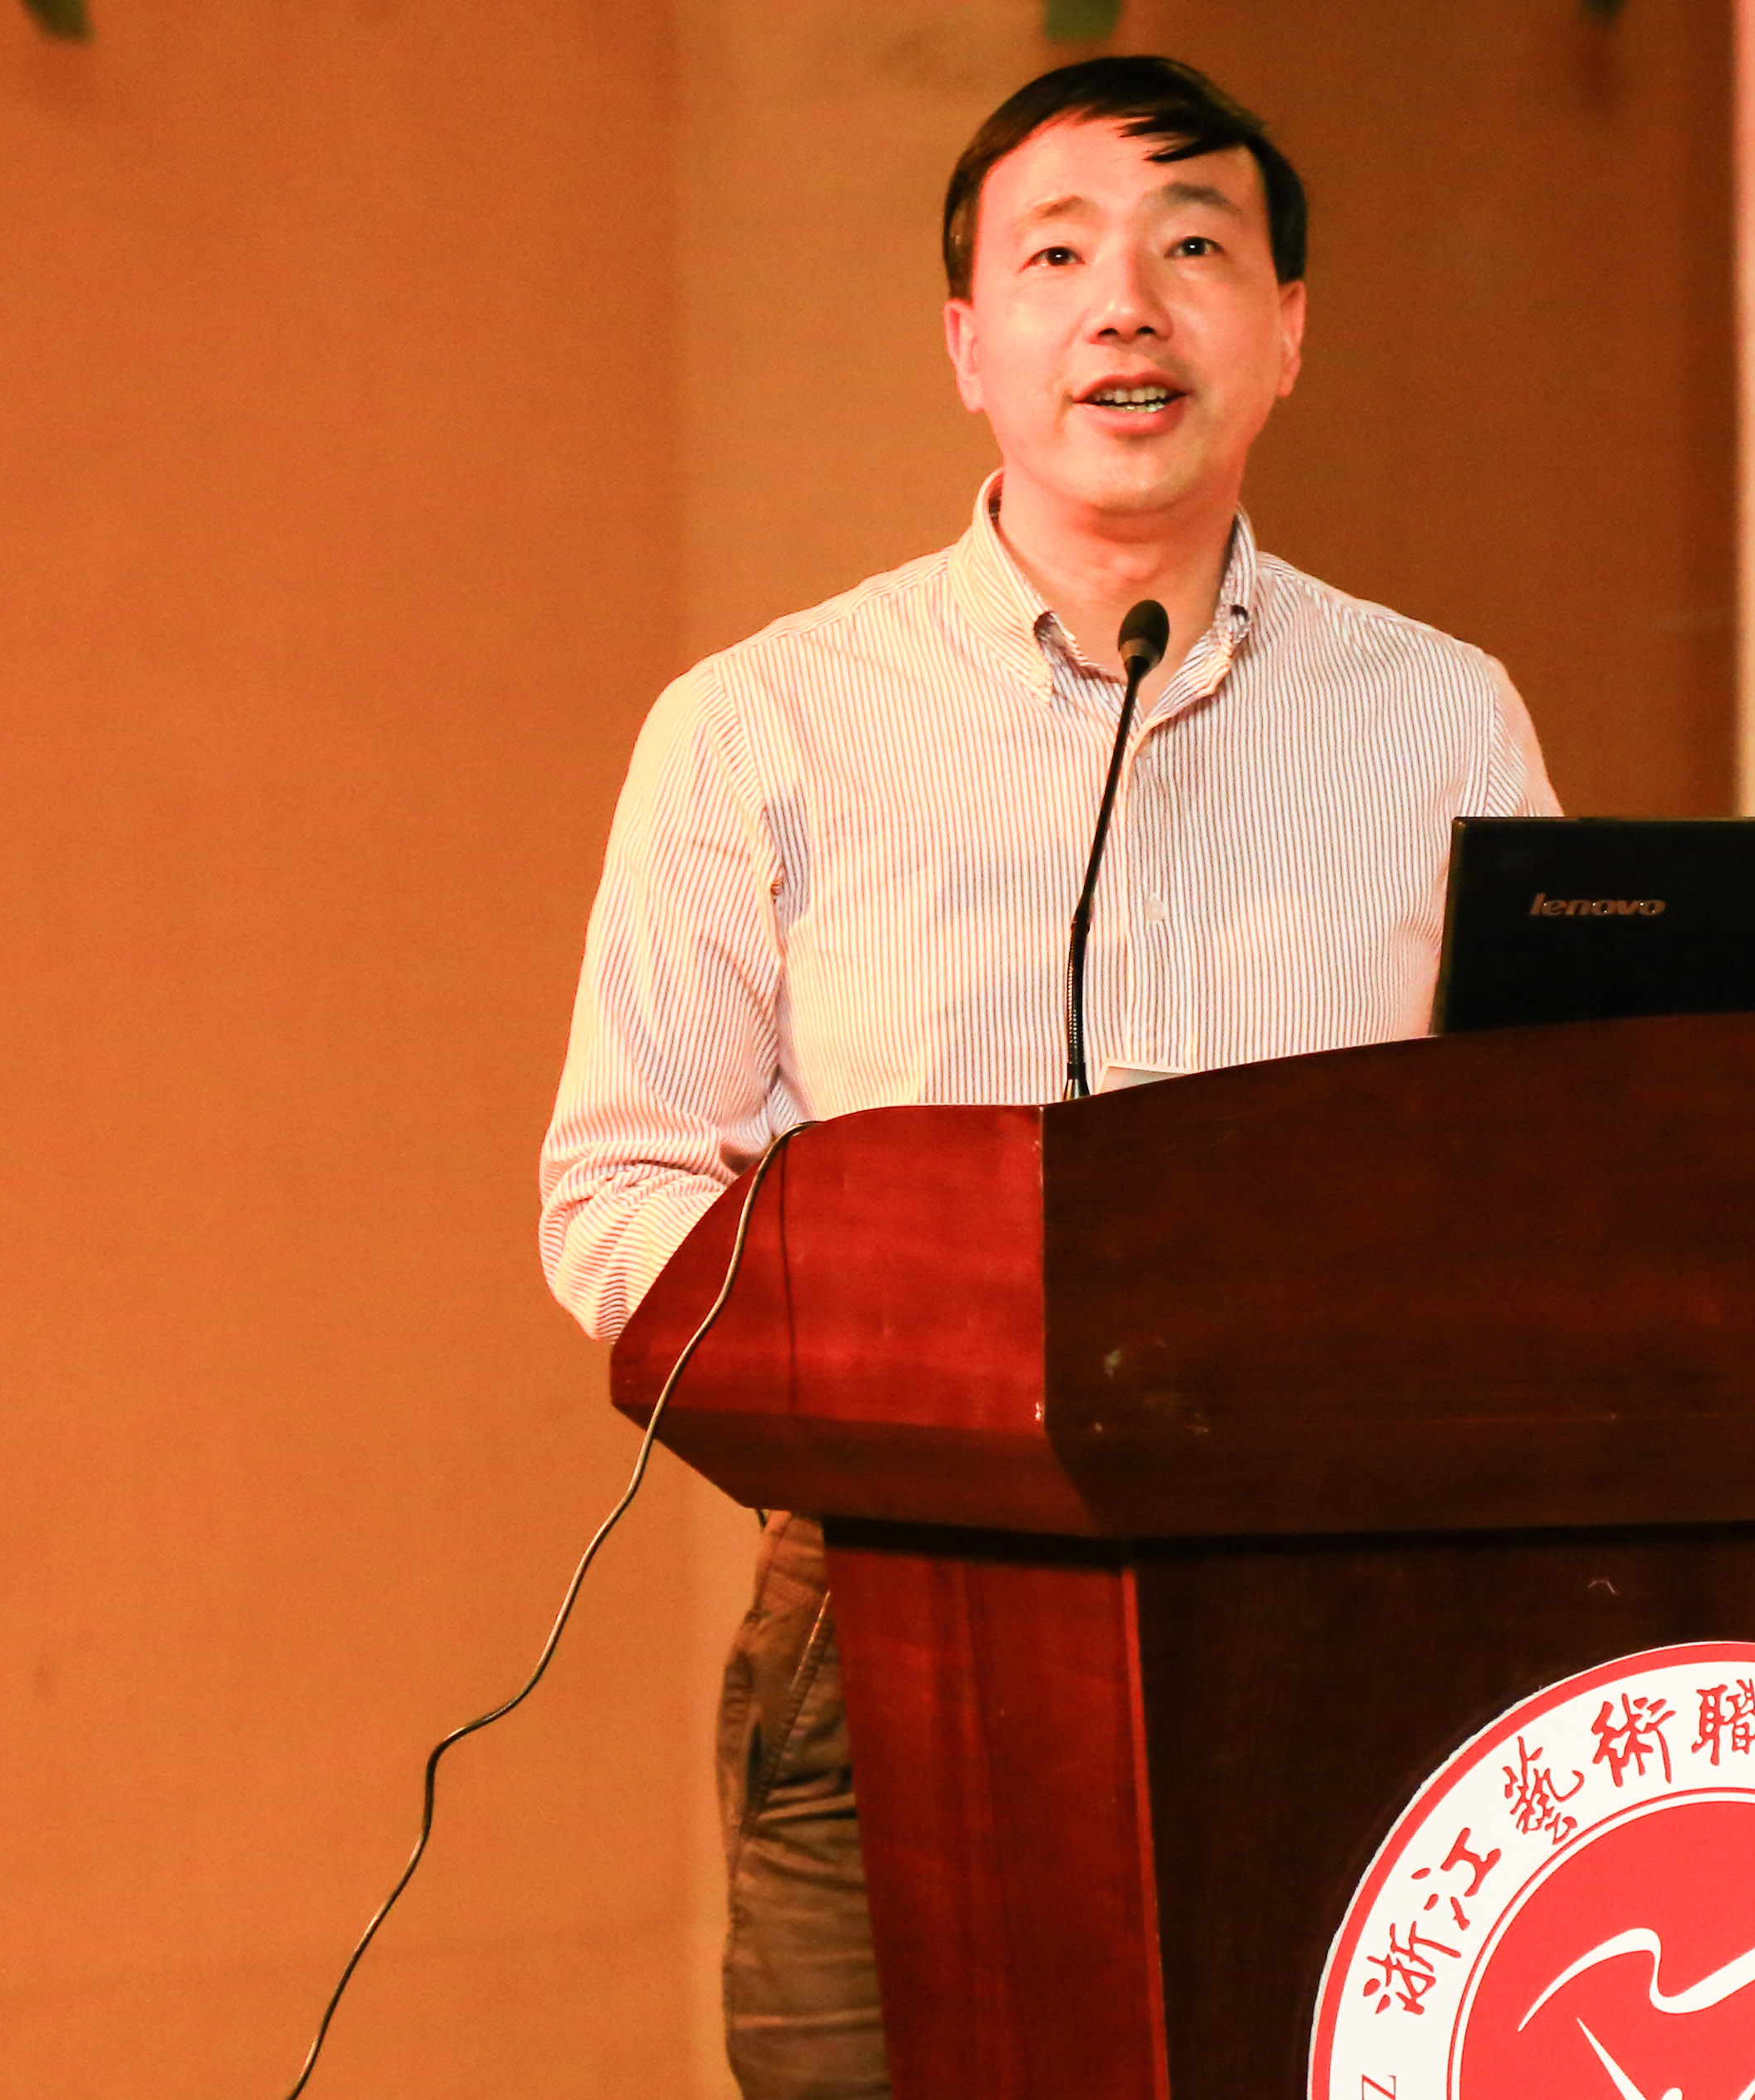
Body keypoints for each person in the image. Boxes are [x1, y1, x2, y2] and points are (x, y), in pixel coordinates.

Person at [537, 53, 1558, 2100]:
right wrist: (888, 1362)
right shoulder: (762, 724)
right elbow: (620, 1190)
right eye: (1059, 256)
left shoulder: (1436, 719)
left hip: (1329, 1596)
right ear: (965, 345)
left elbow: (1538, 1178)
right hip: (890, 1590)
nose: (1126, 308)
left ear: (1284, 333)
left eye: (1194, 250)